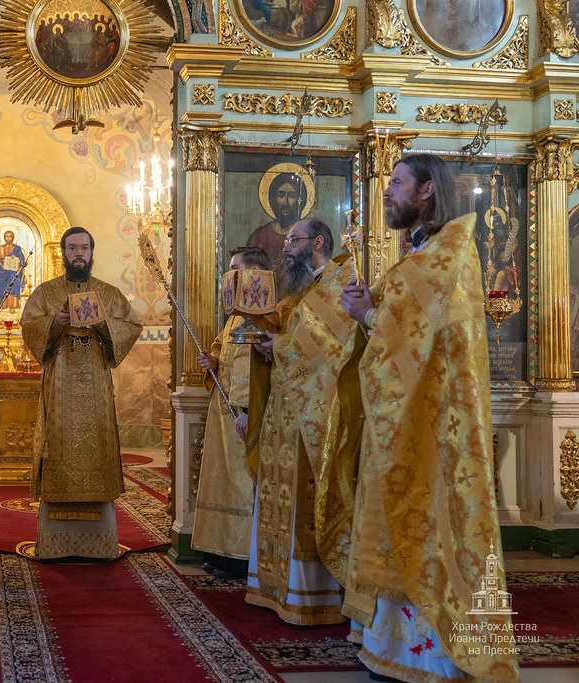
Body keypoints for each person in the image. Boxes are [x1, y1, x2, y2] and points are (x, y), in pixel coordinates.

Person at [340, 154, 520, 682]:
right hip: (403, 418)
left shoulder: (450, 254)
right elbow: (408, 333)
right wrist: (372, 307)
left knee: (433, 524)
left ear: (426, 192)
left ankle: (441, 657)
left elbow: (426, 343)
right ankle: (391, 650)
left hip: (437, 425)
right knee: (400, 522)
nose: (388, 192)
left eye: (396, 183)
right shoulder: (420, 256)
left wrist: (368, 315)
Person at [244, 218, 362, 625]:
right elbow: (295, 340)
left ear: (317, 242)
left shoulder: (339, 282)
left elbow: (337, 347)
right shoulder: (302, 289)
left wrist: (283, 346)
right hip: (284, 412)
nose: (285, 248)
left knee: (304, 498)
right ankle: (275, 588)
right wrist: (268, 344)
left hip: (315, 414)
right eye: (284, 240)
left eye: (292, 241)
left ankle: (312, 594)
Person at [20, 227, 143, 560]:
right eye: (72, 248)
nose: (79, 253)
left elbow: (132, 326)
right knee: (57, 449)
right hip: (59, 387)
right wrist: (55, 322)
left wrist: (104, 324)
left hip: (96, 391)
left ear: (92, 252)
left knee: (96, 449)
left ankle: (100, 547)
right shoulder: (45, 293)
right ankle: (55, 546)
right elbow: (28, 326)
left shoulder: (109, 293)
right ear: (63, 253)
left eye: (84, 248)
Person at [192, 246, 271, 579]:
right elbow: (220, 349)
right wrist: (213, 361)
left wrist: (249, 411)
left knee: (243, 486)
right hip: (222, 415)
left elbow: (266, 369)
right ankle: (219, 552)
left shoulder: (268, 315)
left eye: (234, 269)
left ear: (252, 272)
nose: (228, 277)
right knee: (220, 485)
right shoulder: (236, 316)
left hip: (245, 416)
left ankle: (242, 557)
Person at [246, 172, 307, 283]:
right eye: (281, 195)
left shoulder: (306, 235)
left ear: (300, 201)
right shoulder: (259, 236)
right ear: (273, 199)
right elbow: (250, 275)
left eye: (292, 196)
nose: (285, 203)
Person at [0, 229, 27, 310]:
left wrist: (15, 257)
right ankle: (1, 305)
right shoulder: (1, 248)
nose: (8, 238)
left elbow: (22, 259)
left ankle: (12, 305)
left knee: (12, 277)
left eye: (10, 236)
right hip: (3, 269)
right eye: (6, 236)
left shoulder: (17, 248)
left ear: (13, 237)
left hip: (13, 269)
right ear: (4, 237)